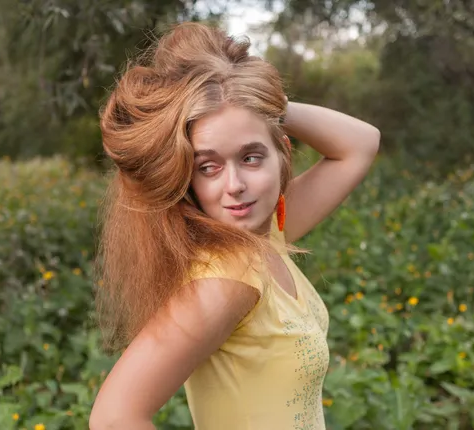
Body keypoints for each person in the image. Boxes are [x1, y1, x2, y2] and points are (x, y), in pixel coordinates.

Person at [89, 21, 379, 430]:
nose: (235, 187)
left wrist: (248, 97)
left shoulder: (265, 235)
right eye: (208, 166)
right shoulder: (225, 279)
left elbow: (360, 144)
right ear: (187, 179)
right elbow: (114, 416)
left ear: (283, 153)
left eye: (251, 157)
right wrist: (251, 109)